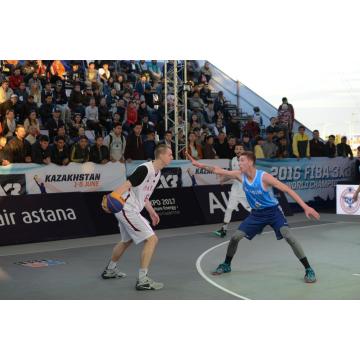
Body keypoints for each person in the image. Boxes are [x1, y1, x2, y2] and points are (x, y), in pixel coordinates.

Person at [186, 151, 319, 283]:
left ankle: (308, 269)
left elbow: (287, 190)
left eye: (242, 160)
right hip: (256, 214)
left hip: (273, 212)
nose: (239, 163)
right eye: (239, 160)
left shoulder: (264, 177)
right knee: (235, 237)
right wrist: (197, 164)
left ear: (250, 162)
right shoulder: (240, 175)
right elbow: (217, 170)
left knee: (288, 236)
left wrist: (306, 207)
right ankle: (226, 265)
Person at [101, 144, 173, 290]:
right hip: (127, 209)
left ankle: (110, 270)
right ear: (161, 156)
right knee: (152, 239)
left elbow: (144, 196)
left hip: (131, 209)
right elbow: (127, 185)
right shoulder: (145, 169)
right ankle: (143, 280)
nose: (172, 157)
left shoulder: (157, 173)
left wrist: (152, 212)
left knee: (126, 241)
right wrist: (111, 199)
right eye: (170, 154)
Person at [213, 144, 251, 237]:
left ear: (244, 150)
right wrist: (224, 179)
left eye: (240, 149)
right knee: (229, 208)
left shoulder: (247, 161)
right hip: (235, 189)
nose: (238, 150)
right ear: (234, 151)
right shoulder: (233, 160)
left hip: (244, 189)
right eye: (237, 149)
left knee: (252, 210)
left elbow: (235, 175)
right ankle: (223, 230)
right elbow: (231, 173)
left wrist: (223, 179)